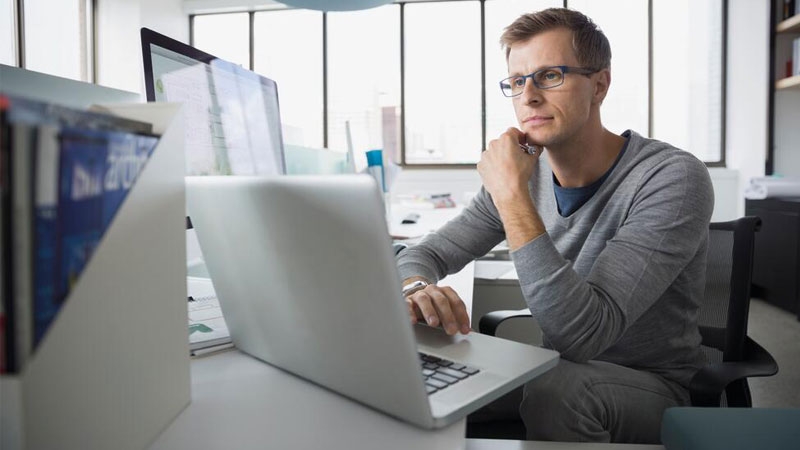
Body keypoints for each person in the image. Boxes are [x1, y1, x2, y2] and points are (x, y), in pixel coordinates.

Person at [396, 7, 714, 444]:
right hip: (563, 370)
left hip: (653, 386)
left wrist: (511, 195)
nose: (528, 96)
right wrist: (417, 288)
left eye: (550, 76)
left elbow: (582, 337)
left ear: (599, 84)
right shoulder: (530, 174)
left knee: (557, 389)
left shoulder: (671, 177)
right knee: (413, 388)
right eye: (517, 81)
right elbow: (422, 254)